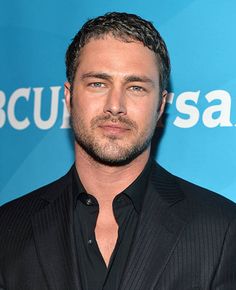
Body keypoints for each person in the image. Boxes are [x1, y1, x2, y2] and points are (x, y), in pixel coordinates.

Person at [0, 12, 236, 290]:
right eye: (98, 83)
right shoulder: (8, 229)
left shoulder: (221, 229)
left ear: (160, 106)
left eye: (136, 87)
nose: (115, 105)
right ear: (68, 96)